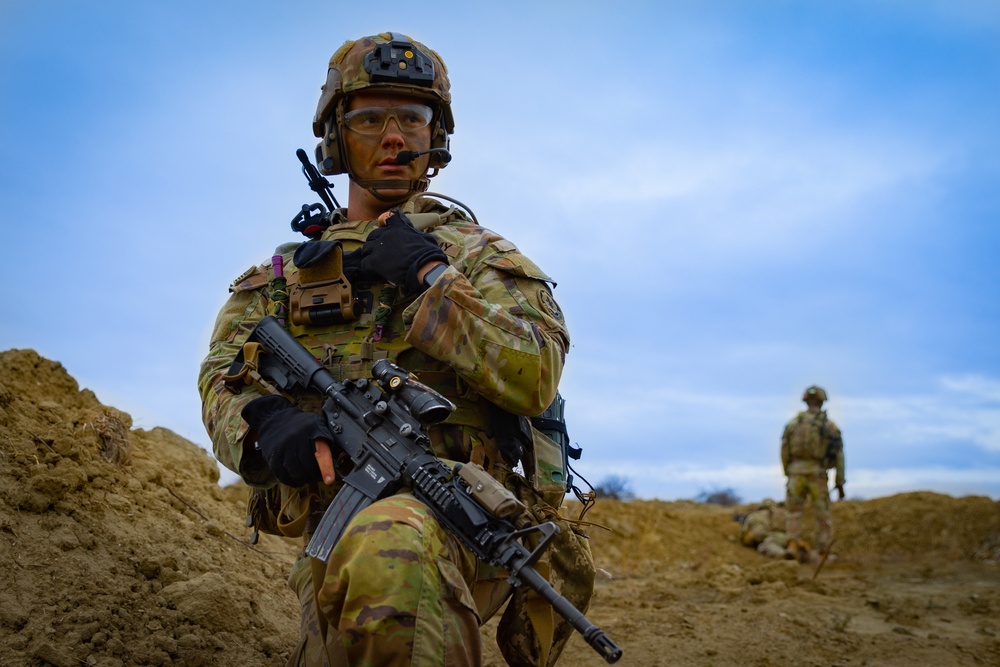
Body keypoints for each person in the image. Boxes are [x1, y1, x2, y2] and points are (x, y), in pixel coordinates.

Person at [197, 32, 594, 667]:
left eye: (412, 118)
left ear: (435, 137)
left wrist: (433, 281)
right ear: (336, 137)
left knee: (396, 545)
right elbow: (223, 376)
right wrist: (266, 423)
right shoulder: (285, 276)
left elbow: (536, 374)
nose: (393, 136)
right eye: (369, 118)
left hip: (462, 528)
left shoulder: (479, 259)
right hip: (333, 539)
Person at [780, 385, 845, 562]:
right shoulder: (829, 426)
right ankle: (823, 552)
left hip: (796, 473)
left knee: (794, 512)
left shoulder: (793, 424)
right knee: (822, 513)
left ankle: (792, 546)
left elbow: (784, 450)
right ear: (822, 402)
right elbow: (839, 455)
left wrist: (788, 472)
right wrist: (839, 481)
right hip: (817, 473)